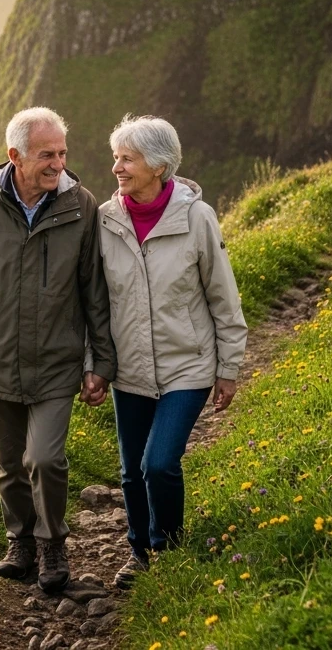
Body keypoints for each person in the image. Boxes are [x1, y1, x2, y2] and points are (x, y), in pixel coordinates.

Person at [0, 107, 115, 594]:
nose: (59, 164)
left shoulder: (81, 206)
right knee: (9, 466)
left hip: (57, 364)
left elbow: (95, 291)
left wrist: (101, 364)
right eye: (47, 155)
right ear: (15, 156)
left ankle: (53, 543)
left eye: (63, 153)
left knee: (45, 459)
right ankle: (21, 542)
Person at [92, 114, 247, 589]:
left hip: (189, 367)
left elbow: (224, 295)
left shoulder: (196, 218)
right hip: (130, 369)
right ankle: (139, 551)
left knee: (158, 463)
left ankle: (168, 547)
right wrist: (93, 365)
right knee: (130, 471)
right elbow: (93, 303)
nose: (117, 167)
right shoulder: (104, 220)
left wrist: (229, 367)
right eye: (116, 157)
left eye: (128, 159)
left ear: (158, 166)